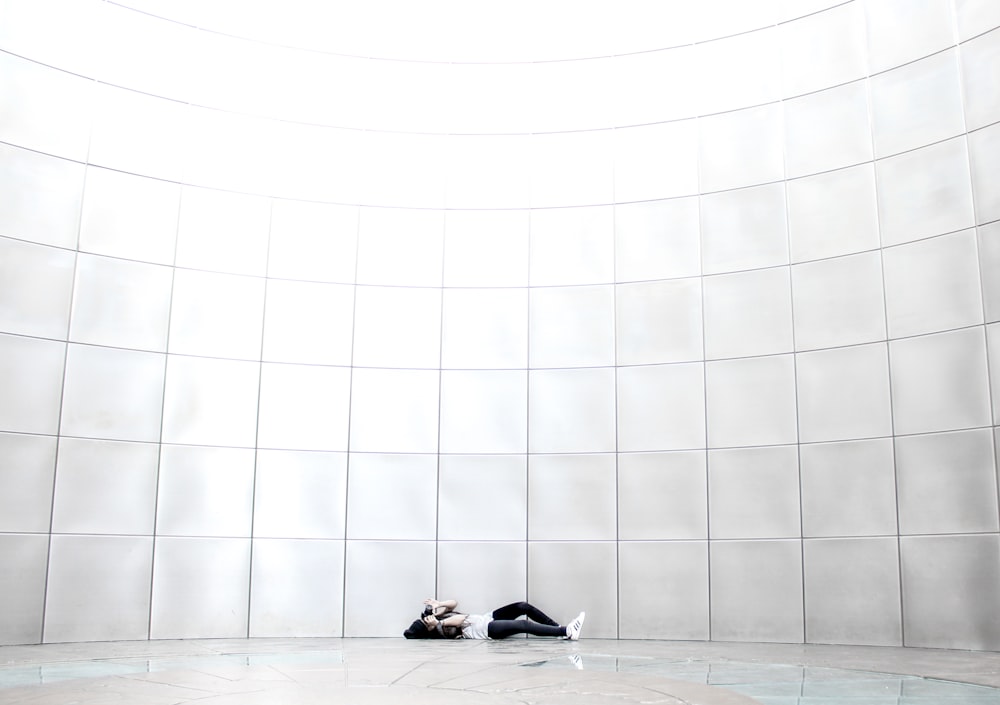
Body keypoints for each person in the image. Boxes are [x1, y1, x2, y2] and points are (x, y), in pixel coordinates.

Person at [403, 598, 585, 641]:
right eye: (426, 622)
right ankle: (567, 631)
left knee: (523, 606)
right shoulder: (441, 631)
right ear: (427, 629)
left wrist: (439, 604)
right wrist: (439, 623)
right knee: (523, 625)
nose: (430, 618)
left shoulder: (439, 619)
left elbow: (454, 603)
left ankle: (557, 629)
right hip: (487, 630)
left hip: (487, 617)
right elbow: (460, 620)